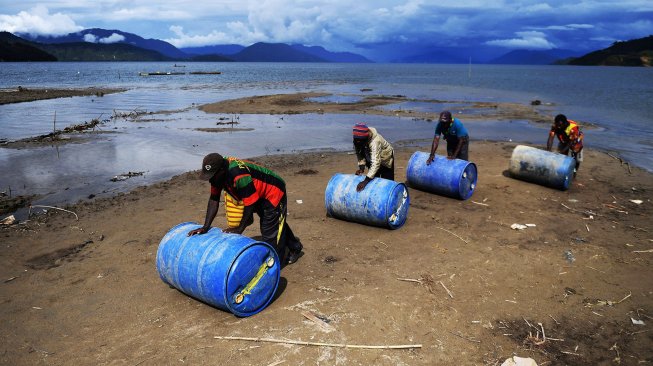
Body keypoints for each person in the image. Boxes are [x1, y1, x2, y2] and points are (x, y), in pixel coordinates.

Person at [187, 153, 303, 265]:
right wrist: (205, 227)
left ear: (222, 170)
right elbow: (214, 200)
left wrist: (240, 228)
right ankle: (295, 246)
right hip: (256, 192)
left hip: (273, 192)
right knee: (275, 222)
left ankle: (272, 265)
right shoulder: (217, 176)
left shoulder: (238, 174)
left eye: (212, 176)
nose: (210, 180)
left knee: (269, 231)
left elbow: (250, 204)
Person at [352, 123, 395, 192]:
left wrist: (365, 181)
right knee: (374, 179)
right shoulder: (357, 139)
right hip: (371, 156)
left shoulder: (375, 141)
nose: (358, 142)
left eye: (361, 141)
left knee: (387, 182)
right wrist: (361, 167)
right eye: (356, 141)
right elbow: (359, 153)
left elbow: (376, 162)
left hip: (385, 158)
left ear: (366, 138)